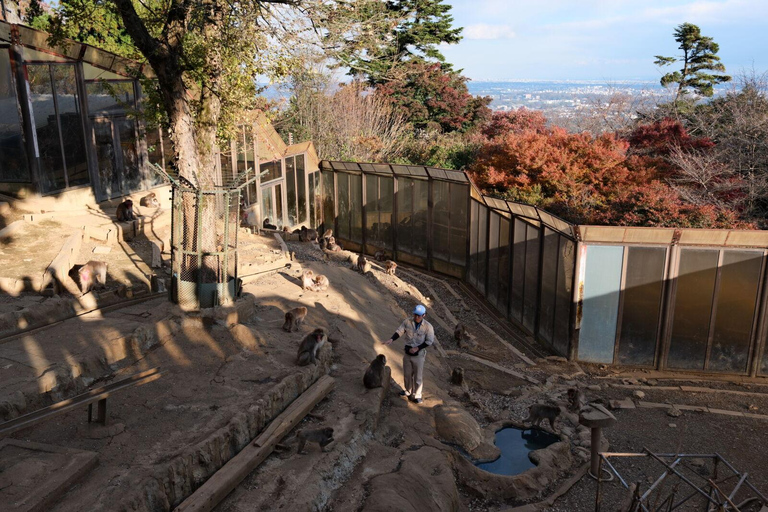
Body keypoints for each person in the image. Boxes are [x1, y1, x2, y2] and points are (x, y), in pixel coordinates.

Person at [382, 304, 434, 404]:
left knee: (418, 376)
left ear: (424, 315)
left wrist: (417, 348)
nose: (416, 317)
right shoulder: (407, 322)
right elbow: (400, 331)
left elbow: (429, 341)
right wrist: (391, 339)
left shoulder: (428, 327)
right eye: (415, 315)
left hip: (419, 354)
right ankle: (408, 390)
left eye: (419, 315)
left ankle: (417, 395)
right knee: (407, 374)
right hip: (407, 353)